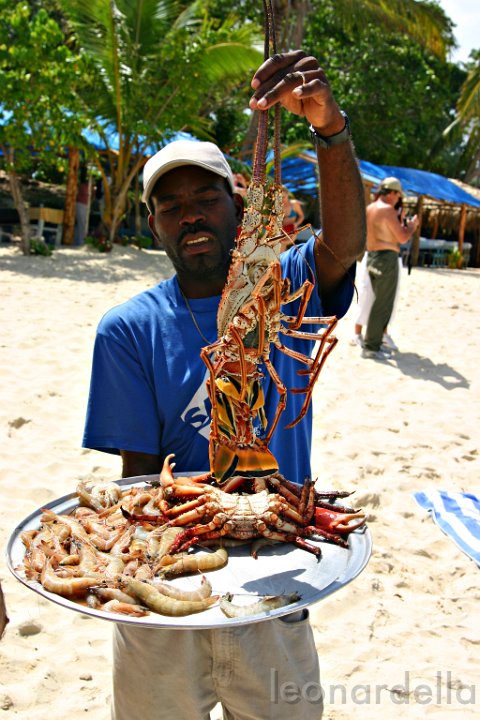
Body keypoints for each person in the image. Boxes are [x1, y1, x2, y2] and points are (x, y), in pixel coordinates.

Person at [83, 49, 365, 720]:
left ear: (236, 206)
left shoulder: (287, 284)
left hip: (276, 566)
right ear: (154, 224)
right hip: (175, 574)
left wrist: (329, 128)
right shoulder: (127, 329)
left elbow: (345, 244)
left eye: (205, 198)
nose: (190, 216)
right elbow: (142, 480)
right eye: (171, 206)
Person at [362, 176, 418, 359]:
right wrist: (411, 226)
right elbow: (402, 237)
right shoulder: (387, 210)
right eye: (398, 195)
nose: (398, 199)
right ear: (392, 193)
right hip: (386, 258)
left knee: (378, 302)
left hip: (372, 256)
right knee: (383, 305)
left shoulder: (369, 208)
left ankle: (375, 343)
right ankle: (371, 347)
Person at [74, 164, 91, 245]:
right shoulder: (84, 185)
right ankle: (80, 241)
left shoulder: (81, 184)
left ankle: (78, 240)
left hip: (81, 204)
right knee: (82, 224)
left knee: (80, 224)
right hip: (82, 204)